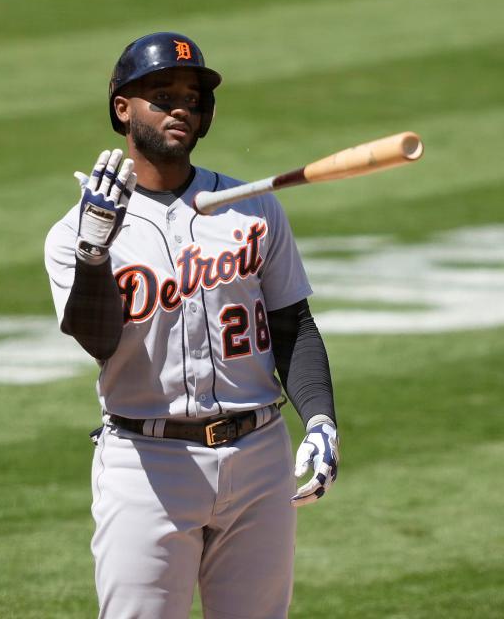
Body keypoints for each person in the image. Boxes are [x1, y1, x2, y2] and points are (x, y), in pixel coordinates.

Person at [44, 32, 340, 618]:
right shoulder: (74, 233)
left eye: (192, 96)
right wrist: (94, 253)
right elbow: (96, 340)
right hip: (147, 464)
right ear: (121, 109)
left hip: (259, 455)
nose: (181, 106)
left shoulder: (252, 205)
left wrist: (322, 416)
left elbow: (292, 324)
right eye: (161, 94)